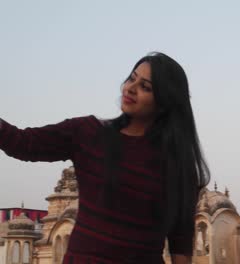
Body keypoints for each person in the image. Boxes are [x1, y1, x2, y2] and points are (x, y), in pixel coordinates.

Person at [0, 52, 210, 263]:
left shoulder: (177, 164)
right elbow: (22, 143)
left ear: (165, 102)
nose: (130, 88)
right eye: (131, 78)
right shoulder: (87, 134)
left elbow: (180, 244)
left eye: (145, 87)